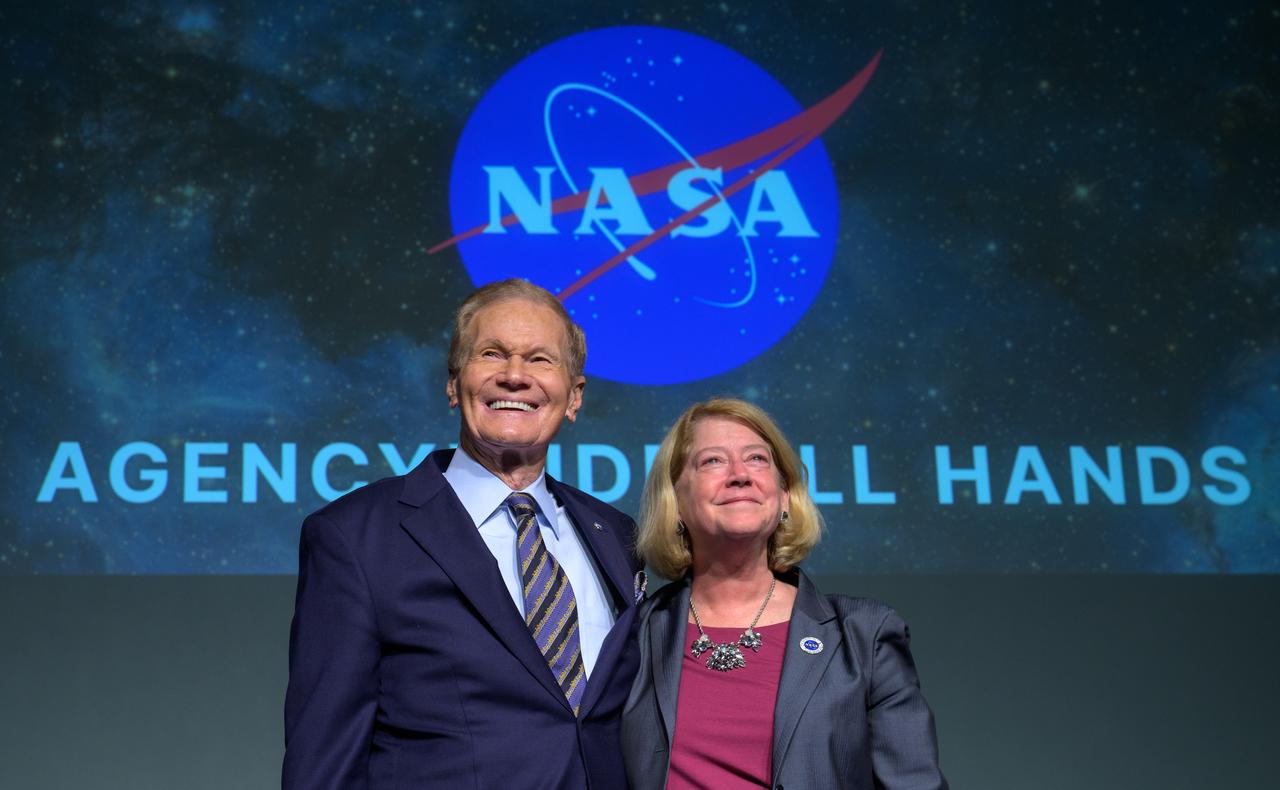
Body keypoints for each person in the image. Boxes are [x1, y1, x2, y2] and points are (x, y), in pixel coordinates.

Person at [283, 279, 643, 789]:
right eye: (492, 353)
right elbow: (324, 760)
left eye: (541, 360)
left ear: (574, 397)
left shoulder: (617, 536)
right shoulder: (355, 537)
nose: (515, 377)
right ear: (454, 383)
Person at [621, 398, 948, 789]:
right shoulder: (632, 636)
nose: (740, 475)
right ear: (675, 503)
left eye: (757, 459)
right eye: (712, 461)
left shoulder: (863, 636)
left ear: (786, 497)